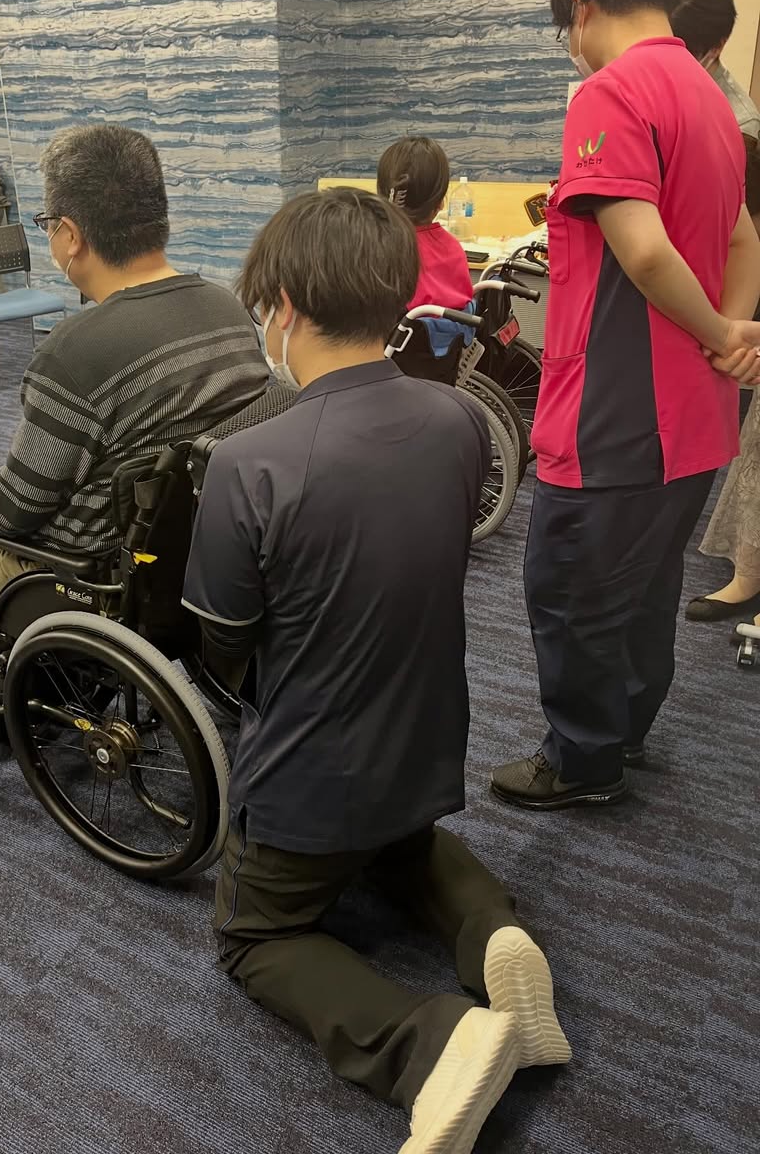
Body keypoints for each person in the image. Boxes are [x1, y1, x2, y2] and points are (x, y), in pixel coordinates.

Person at [183, 188, 571, 1154]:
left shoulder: (247, 462)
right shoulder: (461, 422)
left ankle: (427, 1047)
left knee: (253, 938)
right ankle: (495, 934)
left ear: (282, 305)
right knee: (398, 846)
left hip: (309, 781)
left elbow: (222, 645)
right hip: (426, 742)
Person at [491, 0, 760, 812]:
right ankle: (626, 729)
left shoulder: (610, 93)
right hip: (694, 412)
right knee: (644, 584)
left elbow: (643, 254)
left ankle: (583, 762)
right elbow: (744, 238)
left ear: (580, 5)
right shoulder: (710, 97)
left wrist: (719, 330)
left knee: (569, 590)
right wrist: (729, 330)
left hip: (617, 409)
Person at [0, 124, 268, 621]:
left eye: (47, 225)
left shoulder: (74, 352)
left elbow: (15, 511)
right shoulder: (227, 309)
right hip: (206, 556)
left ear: (70, 235)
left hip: (99, 579)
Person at [671, 0, 760, 630]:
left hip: (719, 304)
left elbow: (742, 236)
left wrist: (729, 327)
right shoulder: (678, 98)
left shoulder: (737, 126)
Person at [670, 0, 760, 239]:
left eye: (683, 50)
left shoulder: (741, 126)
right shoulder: (667, 86)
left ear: (718, 46)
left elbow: (726, 229)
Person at [376, 136, 475, 355]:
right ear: (440, 202)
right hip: (439, 363)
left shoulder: (378, 251)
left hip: (386, 361)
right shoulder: (452, 248)